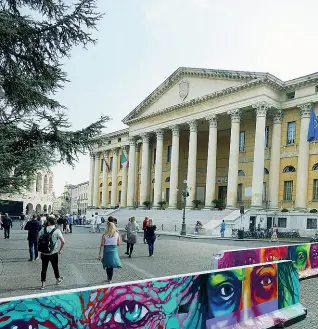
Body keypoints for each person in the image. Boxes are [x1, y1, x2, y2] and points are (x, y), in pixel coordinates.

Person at [39, 215, 65, 290]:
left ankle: (43, 284)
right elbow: (63, 242)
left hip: (44, 253)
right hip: (53, 252)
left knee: (44, 268)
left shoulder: (43, 229)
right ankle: (58, 279)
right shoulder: (57, 230)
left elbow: (38, 239)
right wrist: (60, 250)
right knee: (55, 267)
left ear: (49, 222)